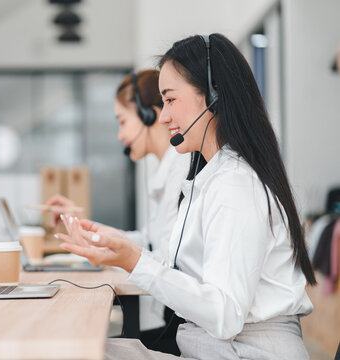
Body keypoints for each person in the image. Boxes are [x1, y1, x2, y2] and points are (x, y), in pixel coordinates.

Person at [56, 33, 316, 359]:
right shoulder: (211, 178)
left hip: (244, 352)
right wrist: (120, 250)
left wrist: (133, 260)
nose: (163, 116)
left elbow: (225, 314)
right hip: (220, 349)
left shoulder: (235, 186)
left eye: (170, 100)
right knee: (83, 348)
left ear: (213, 96)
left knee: (83, 352)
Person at [45, 69, 190, 354]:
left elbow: (165, 258)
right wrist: (88, 229)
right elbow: (148, 240)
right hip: (166, 313)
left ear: (150, 116)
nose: (120, 134)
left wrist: (110, 248)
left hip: (173, 322)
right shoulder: (165, 170)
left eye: (123, 121)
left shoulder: (180, 171)